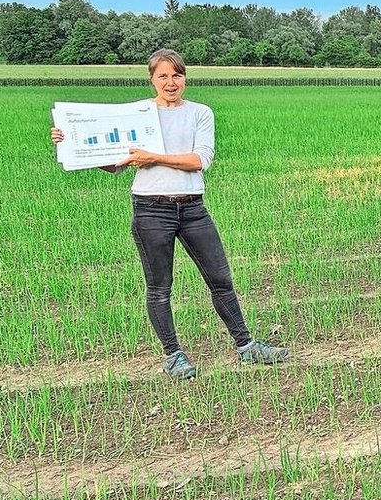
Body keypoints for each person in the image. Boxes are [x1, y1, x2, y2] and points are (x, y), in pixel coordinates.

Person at [49, 49, 289, 380]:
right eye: (163, 76)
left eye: (176, 75)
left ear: (185, 78)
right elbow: (113, 164)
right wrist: (69, 142)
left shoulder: (200, 113)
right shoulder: (138, 115)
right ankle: (173, 355)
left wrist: (154, 157)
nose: (170, 82)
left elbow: (199, 159)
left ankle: (246, 346)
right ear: (152, 80)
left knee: (220, 279)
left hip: (193, 208)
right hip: (151, 209)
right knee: (160, 287)